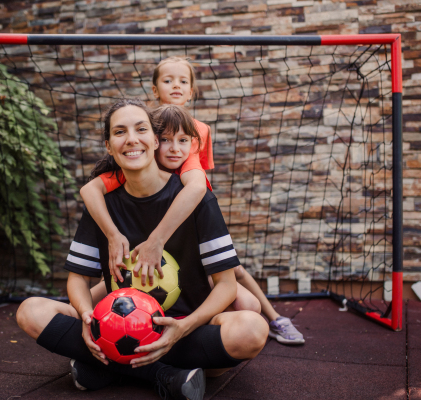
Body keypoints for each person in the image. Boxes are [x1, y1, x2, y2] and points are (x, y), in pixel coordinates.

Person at [16, 99, 269, 400]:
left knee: (252, 329)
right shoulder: (103, 207)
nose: (132, 139)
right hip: (114, 331)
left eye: (141, 129)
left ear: (153, 140)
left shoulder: (198, 199)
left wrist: (185, 326)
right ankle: (163, 374)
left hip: (181, 330)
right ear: (109, 146)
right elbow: (77, 280)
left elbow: (227, 285)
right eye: (120, 132)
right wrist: (87, 319)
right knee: (31, 311)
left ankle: (110, 368)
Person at [81, 56, 305, 345]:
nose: (176, 86)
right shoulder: (141, 136)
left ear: (191, 91)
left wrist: (160, 238)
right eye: (168, 80)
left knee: (238, 282)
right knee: (122, 269)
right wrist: (113, 235)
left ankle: (270, 318)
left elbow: (198, 186)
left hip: (187, 226)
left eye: (183, 81)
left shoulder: (195, 132)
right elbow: (90, 190)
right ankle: (89, 316)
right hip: (146, 230)